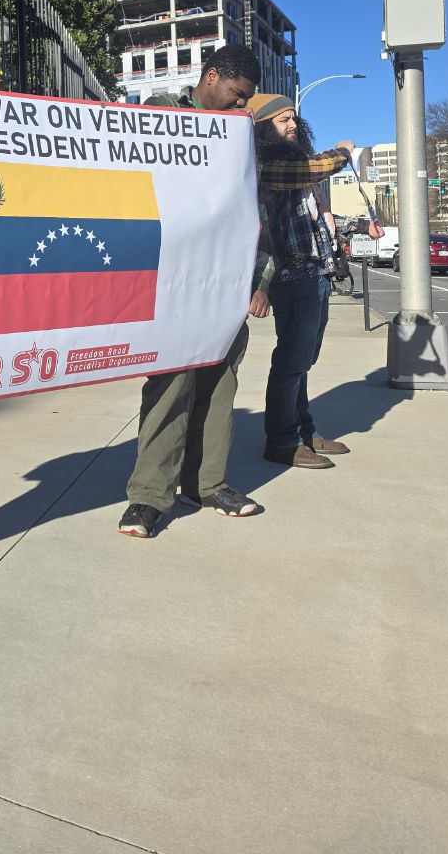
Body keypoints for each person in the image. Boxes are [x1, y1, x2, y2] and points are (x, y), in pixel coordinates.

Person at [118, 45, 271, 538]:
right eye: (236, 95)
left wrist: (260, 282)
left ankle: (208, 485)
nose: (241, 106)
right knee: (172, 385)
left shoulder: (243, 139)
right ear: (211, 78)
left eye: (246, 100)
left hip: (224, 286)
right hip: (174, 285)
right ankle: (148, 497)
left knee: (219, 385)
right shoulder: (165, 111)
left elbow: (256, 214)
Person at [250, 93, 354, 469]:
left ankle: (303, 431)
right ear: (264, 129)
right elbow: (316, 168)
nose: (293, 125)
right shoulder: (269, 164)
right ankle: (281, 441)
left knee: (303, 360)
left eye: (294, 119)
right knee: (292, 360)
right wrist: (343, 152)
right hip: (292, 275)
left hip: (315, 272)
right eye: (284, 120)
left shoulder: (294, 163)